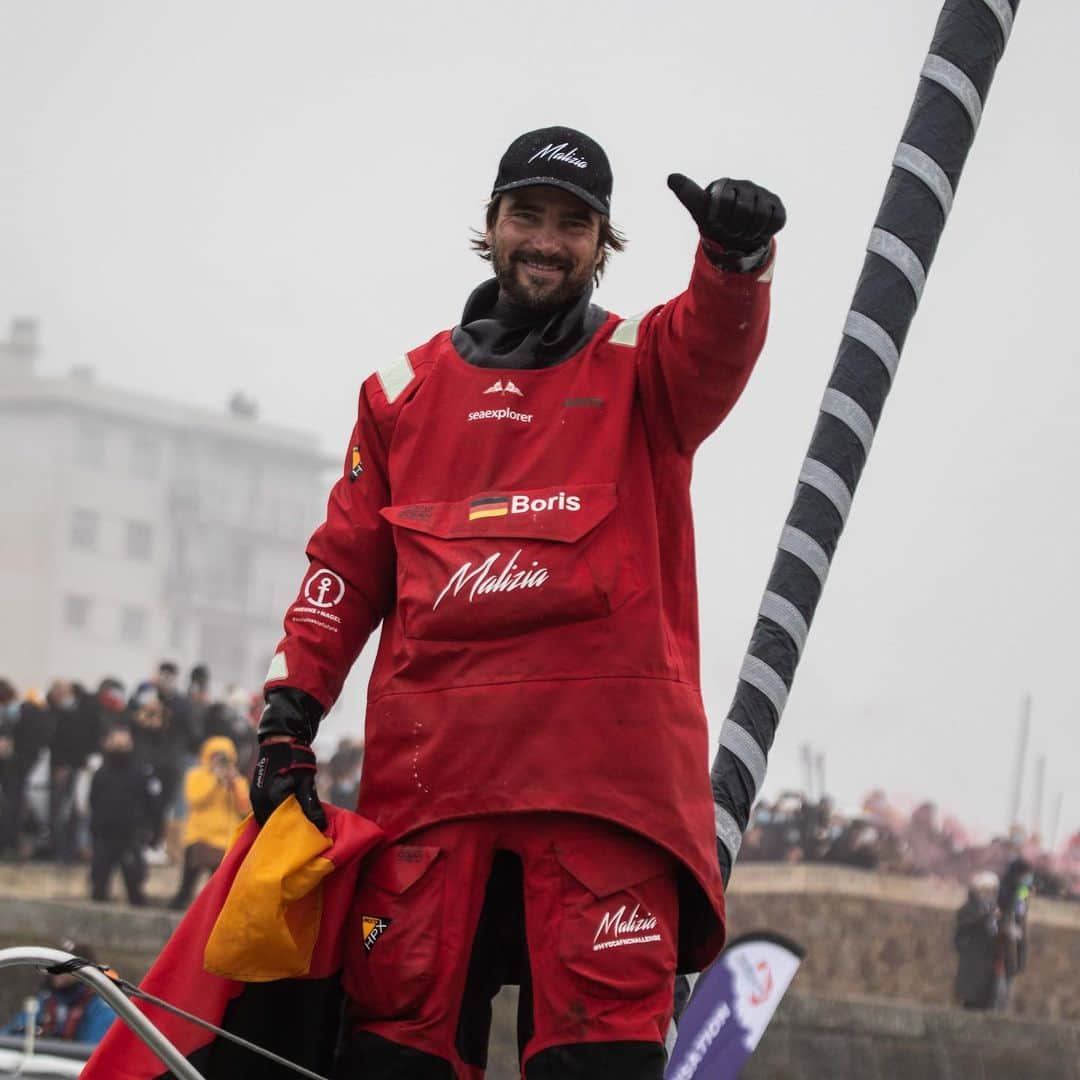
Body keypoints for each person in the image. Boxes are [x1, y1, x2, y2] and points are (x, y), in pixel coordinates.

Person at [251, 125, 784, 1077]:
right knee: (394, 1054)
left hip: (602, 802)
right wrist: (289, 719)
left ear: (603, 242)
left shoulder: (645, 369)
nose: (546, 239)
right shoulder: (400, 395)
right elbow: (344, 566)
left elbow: (715, 344)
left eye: (572, 224)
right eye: (527, 214)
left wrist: (734, 262)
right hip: (431, 797)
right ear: (490, 225)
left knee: (598, 1058)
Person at [169, 735, 250, 909]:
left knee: (219, 889)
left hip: (224, 842)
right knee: (187, 883)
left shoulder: (237, 780)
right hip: (199, 838)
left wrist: (233, 783)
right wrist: (215, 780)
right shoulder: (196, 775)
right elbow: (195, 799)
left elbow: (244, 808)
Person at [88, 725, 158, 905]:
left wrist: (152, 833)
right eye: (116, 742)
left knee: (134, 883)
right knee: (99, 883)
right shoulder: (102, 773)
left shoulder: (140, 772)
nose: (119, 746)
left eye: (123, 742)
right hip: (105, 835)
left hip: (131, 835)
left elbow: (151, 804)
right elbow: (93, 801)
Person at [1, 941, 116, 1044]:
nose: (57, 972)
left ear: (86, 972)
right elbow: (12, 1033)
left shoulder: (101, 1008)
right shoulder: (46, 1000)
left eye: (66, 967)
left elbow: (95, 1050)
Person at [953, 870, 1000, 1009]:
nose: (989, 894)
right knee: (971, 998)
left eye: (992, 891)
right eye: (986, 890)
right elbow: (964, 929)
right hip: (972, 960)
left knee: (986, 999)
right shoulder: (968, 910)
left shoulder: (994, 911)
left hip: (989, 962)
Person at [994, 857, 1034, 1010]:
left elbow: (1021, 911)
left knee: (1007, 986)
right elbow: (999, 914)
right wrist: (1007, 926)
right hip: (1001, 945)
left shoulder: (1023, 891)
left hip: (1014, 946)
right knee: (999, 986)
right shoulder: (1003, 891)